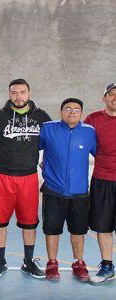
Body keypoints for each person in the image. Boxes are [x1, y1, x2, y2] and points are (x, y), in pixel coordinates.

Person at [0, 78, 51, 279]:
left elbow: (54, 140)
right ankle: (0, 261)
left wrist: (48, 160)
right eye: (14, 92)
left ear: (29, 93)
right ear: (9, 94)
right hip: (3, 176)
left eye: (22, 92)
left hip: (29, 177)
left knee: (29, 222)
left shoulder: (41, 116)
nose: (18, 96)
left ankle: (28, 262)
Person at [39, 98, 96, 281]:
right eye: (68, 109)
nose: (71, 112)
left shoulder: (89, 132)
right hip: (53, 190)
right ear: (61, 111)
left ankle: (79, 263)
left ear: (81, 113)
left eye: (76, 110)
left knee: (78, 230)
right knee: (52, 229)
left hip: (79, 191)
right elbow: (28, 148)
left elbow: (104, 154)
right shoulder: (47, 128)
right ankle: (52, 263)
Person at [84, 82, 116, 284]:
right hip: (103, 180)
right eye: (111, 94)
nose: (115, 97)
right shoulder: (93, 119)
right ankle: (107, 265)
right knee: (103, 227)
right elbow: (76, 141)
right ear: (104, 98)